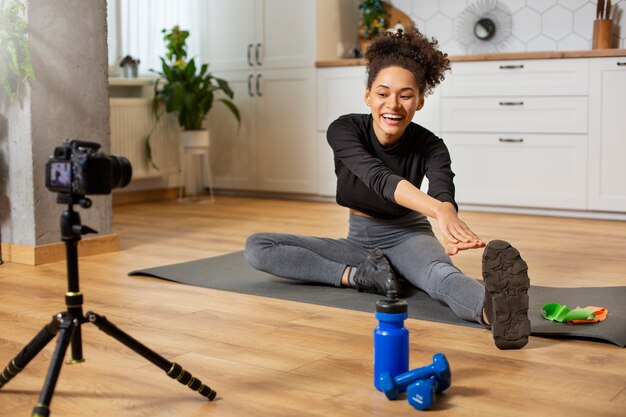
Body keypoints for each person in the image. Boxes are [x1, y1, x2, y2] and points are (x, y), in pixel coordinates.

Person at [244, 27, 531, 350]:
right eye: (382, 93)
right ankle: (363, 277)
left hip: (408, 235)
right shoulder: (345, 130)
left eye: (405, 95)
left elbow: (442, 189)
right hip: (359, 243)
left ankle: (497, 311)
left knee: (438, 275)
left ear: (420, 101)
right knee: (258, 246)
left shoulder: (431, 146)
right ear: (367, 95)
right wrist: (437, 210)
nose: (392, 105)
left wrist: (446, 212)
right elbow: (379, 178)